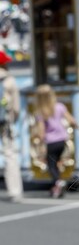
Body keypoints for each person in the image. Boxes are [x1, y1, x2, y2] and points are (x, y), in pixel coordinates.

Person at [34, 84, 79, 198]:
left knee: (51, 165)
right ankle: (56, 188)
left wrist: (39, 141)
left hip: (51, 142)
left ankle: (58, 182)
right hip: (62, 140)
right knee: (57, 162)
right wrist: (77, 125)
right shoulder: (59, 106)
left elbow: (41, 131)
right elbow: (71, 120)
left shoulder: (41, 112)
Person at [0, 49, 22, 202]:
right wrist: (13, 119)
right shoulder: (9, 80)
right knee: (10, 154)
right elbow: (16, 108)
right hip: (4, 121)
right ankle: (15, 191)